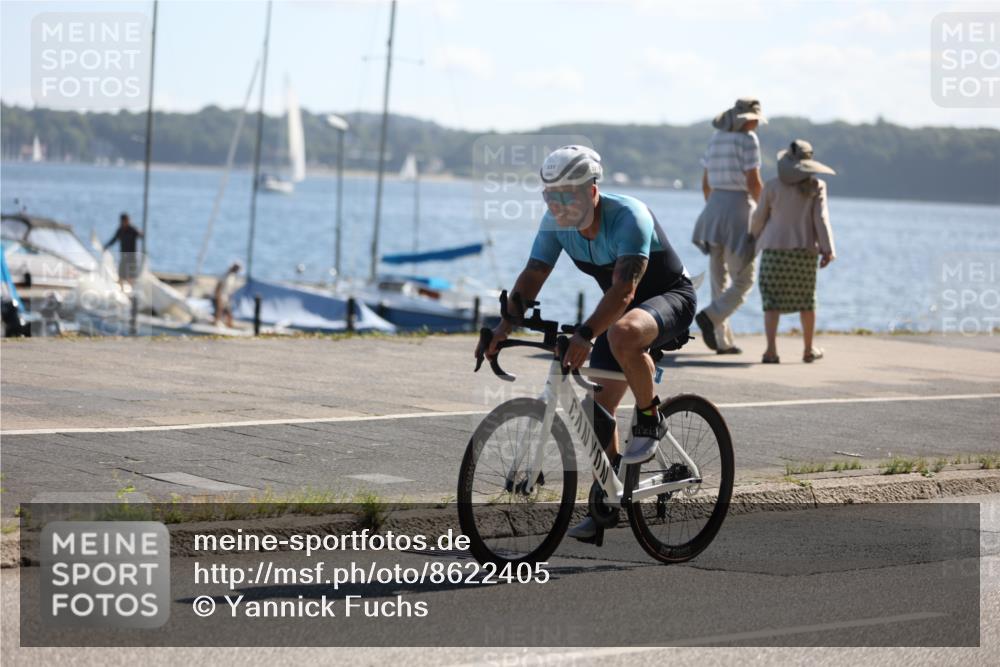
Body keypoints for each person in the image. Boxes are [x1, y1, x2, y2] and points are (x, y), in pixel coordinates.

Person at [475, 145, 696, 541]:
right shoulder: (555, 222)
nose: (557, 206)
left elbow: (625, 291)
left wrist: (587, 333)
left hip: (668, 300)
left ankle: (650, 417)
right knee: (595, 410)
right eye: (550, 196)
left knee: (623, 334)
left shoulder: (630, 217)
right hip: (619, 313)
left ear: (592, 191)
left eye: (567, 196)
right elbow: (534, 274)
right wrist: (502, 328)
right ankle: (607, 498)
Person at [691, 97, 766, 355]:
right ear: (747, 120)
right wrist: (766, 212)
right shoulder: (749, 140)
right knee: (744, 279)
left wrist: (714, 207)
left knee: (718, 278)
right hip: (739, 209)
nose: (757, 123)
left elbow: (705, 183)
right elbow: (753, 182)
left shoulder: (716, 138)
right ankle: (711, 317)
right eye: (755, 119)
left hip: (714, 207)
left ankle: (722, 340)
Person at [750, 139, 837, 363]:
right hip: (804, 253)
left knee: (771, 302)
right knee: (807, 302)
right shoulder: (817, 186)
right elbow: (821, 219)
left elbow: (759, 218)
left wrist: (752, 236)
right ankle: (808, 349)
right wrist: (827, 249)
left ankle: (771, 351)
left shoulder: (772, 186)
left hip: (774, 252)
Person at [104, 212, 143, 286]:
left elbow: (140, 235)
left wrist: (141, 233)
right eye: (124, 221)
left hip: (132, 257)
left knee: (131, 276)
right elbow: (114, 239)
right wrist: (106, 246)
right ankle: (121, 288)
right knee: (121, 275)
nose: (126, 222)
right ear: (122, 221)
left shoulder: (132, 230)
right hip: (124, 257)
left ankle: (132, 289)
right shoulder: (120, 230)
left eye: (127, 221)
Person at [214, 261, 242, 328]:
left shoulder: (233, 276)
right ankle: (216, 324)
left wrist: (230, 297)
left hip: (226, 297)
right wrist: (218, 297)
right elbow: (218, 287)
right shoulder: (225, 275)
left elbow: (230, 289)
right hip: (221, 296)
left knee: (229, 313)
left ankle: (229, 326)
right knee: (219, 310)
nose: (236, 270)